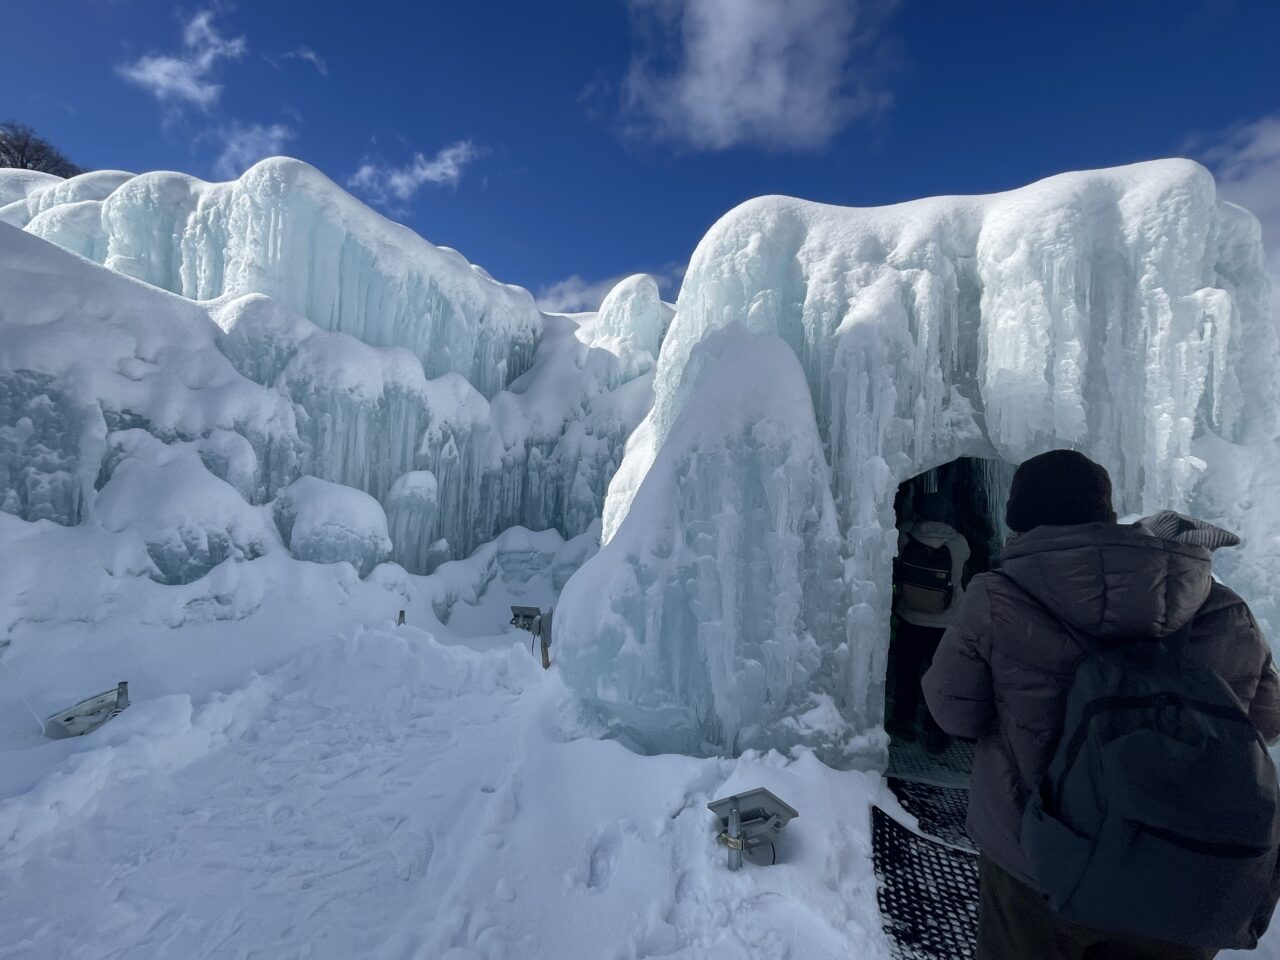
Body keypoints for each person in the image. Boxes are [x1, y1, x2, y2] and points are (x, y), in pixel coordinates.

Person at [923, 449, 1280, 960]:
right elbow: (1266, 721)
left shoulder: (997, 598)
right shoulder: (1220, 605)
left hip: (1039, 858)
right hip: (1181, 864)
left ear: (1017, 520)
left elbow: (953, 711)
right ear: (1107, 514)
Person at [891, 490, 970, 752]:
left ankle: (904, 720)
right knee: (941, 677)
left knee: (907, 671)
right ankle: (936, 729)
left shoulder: (906, 535)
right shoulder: (959, 543)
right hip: (946, 622)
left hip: (910, 616)